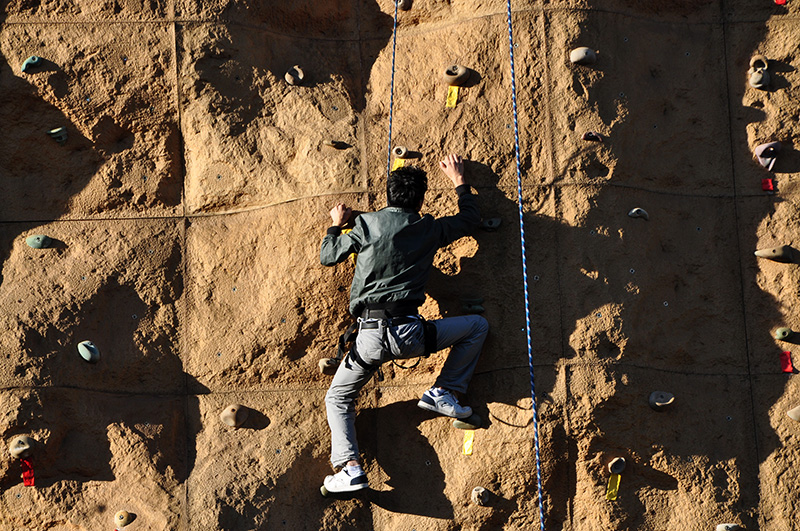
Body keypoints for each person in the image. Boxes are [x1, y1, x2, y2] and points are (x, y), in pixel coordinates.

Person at [319, 153, 489, 494]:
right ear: (420, 200)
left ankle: (350, 468)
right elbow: (469, 219)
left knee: (338, 398)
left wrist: (337, 223)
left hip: (368, 338)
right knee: (476, 327)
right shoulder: (429, 228)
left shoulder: (366, 225)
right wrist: (459, 180)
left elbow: (328, 255)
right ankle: (444, 391)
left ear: (388, 194)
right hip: (411, 334)